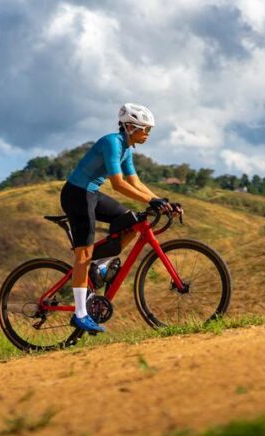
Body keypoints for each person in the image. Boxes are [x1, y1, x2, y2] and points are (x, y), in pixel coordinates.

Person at [61, 103, 178, 334]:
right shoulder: (112, 143)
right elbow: (118, 183)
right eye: (145, 129)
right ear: (130, 126)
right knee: (83, 253)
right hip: (77, 194)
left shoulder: (126, 148)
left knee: (131, 221)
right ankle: (80, 314)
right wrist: (150, 201)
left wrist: (161, 201)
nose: (148, 134)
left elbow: (135, 181)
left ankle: (99, 269)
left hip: (91, 193)